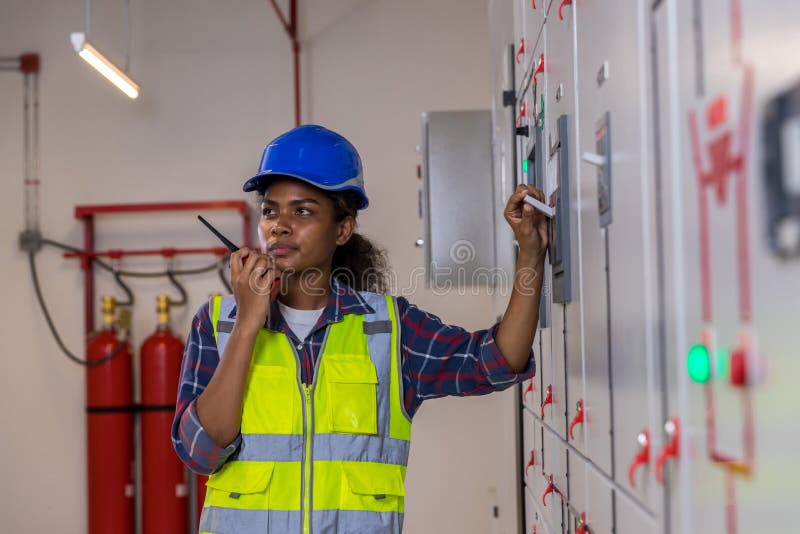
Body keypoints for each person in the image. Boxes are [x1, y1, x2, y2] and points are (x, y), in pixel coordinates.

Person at [171, 124, 548, 534]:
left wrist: (531, 253)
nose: (279, 225)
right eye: (269, 210)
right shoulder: (217, 324)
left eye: (302, 211)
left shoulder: (390, 329)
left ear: (343, 229)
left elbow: (497, 358)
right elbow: (201, 452)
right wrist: (247, 325)